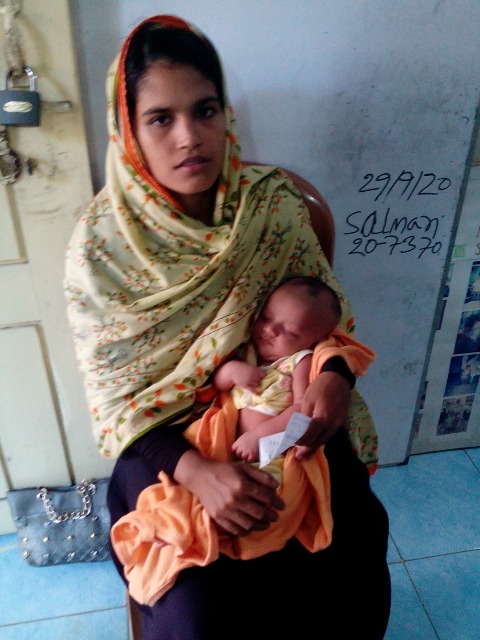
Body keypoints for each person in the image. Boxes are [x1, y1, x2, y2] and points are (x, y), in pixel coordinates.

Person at [64, 14, 390, 640]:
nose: (190, 137)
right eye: (161, 118)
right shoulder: (101, 250)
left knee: (351, 552)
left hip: (279, 406)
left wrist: (335, 378)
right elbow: (118, 402)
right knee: (199, 608)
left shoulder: (271, 205)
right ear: (128, 130)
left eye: (205, 111)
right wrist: (198, 472)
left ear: (225, 115)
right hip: (166, 439)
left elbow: (328, 318)